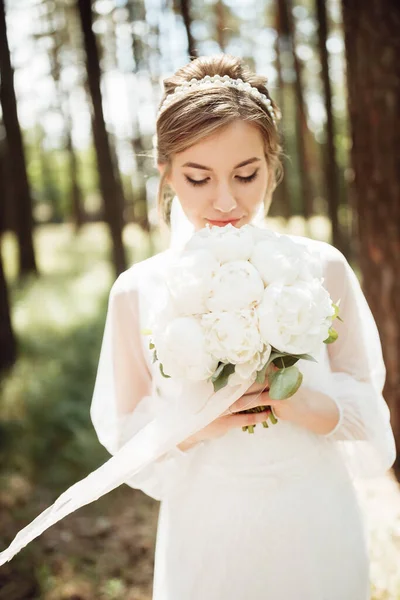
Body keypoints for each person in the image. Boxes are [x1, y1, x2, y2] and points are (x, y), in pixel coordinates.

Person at [0, 54, 395, 598]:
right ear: (166, 172)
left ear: (272, 163)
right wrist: (196, 425)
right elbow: (124, 428)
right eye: (198, 177)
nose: (226, 200)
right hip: (208, 522)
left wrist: (308, 404)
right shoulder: (138, 290)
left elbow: (366, 402)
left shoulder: (321, 267)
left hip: (314, 509)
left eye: (246, 173)